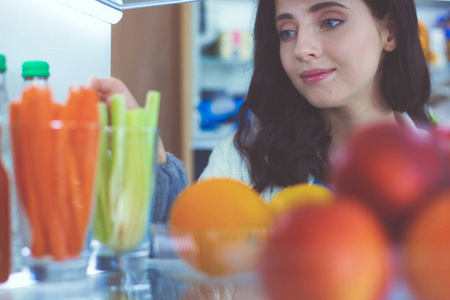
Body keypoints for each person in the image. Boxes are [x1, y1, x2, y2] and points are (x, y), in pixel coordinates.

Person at [88, 0, 431, 219]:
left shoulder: (437, 169)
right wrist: (149, 162)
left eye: (330, 21)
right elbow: (187, 269)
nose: (302, 48)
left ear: (389, 31)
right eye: (287, 31)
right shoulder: (243, 160)